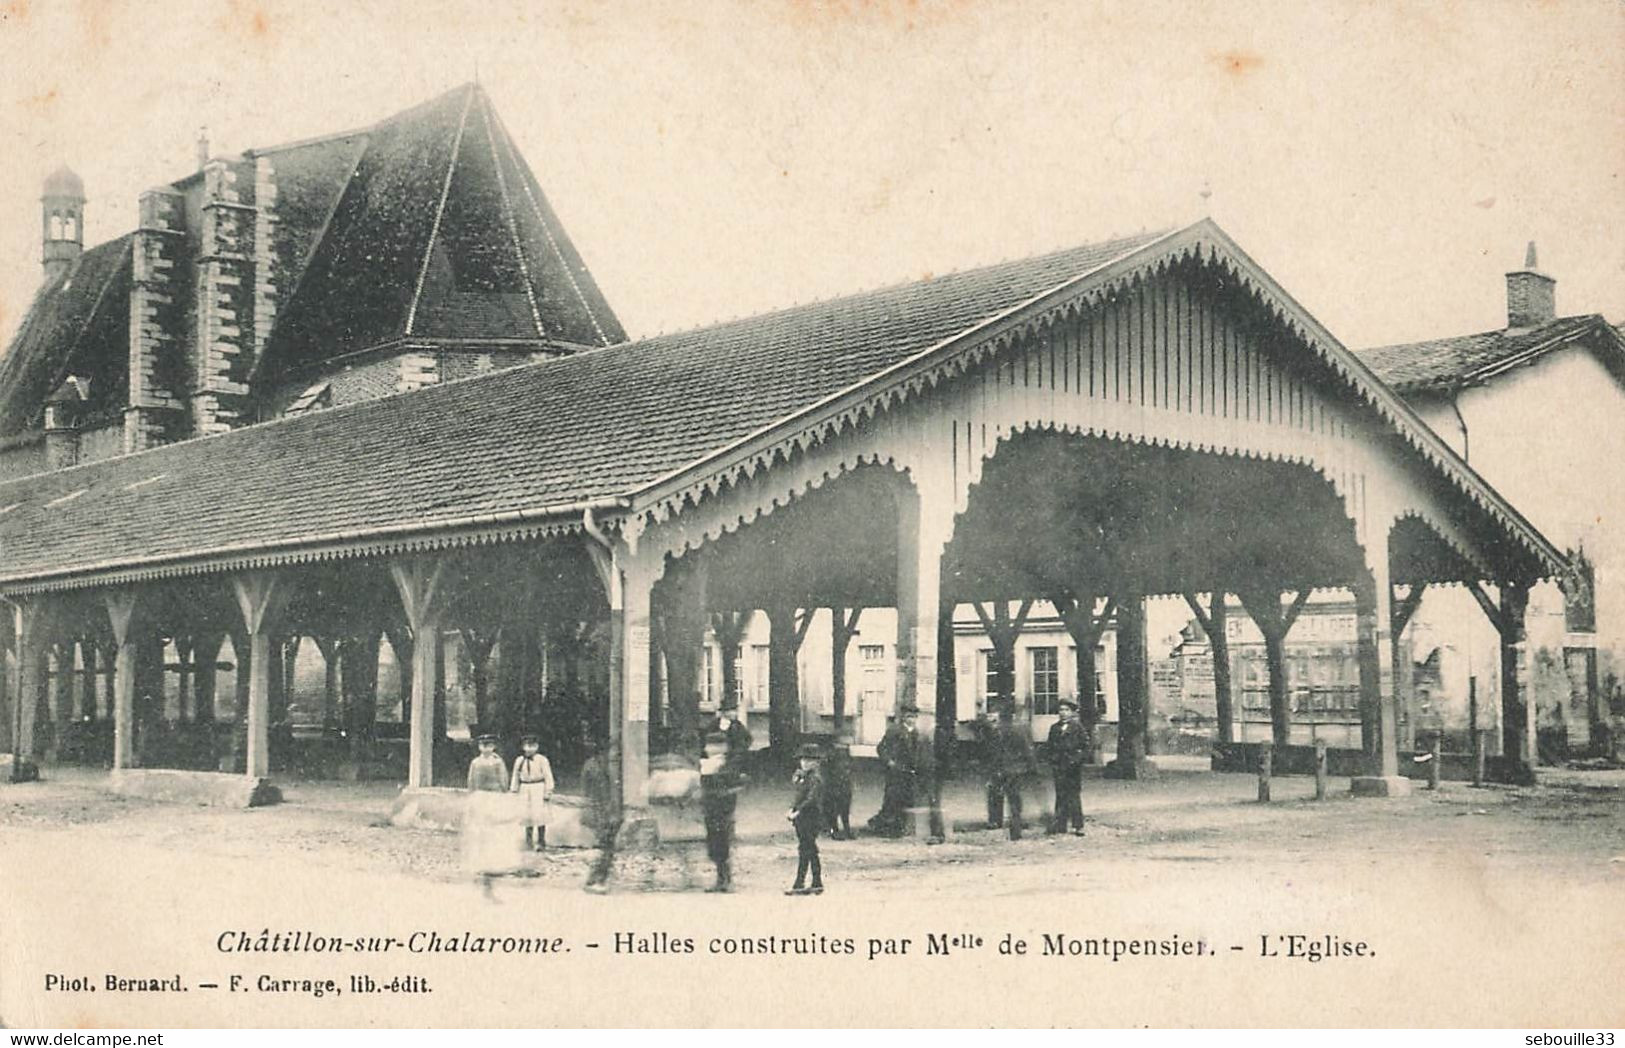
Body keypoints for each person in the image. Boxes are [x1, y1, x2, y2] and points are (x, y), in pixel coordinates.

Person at [867, 704, 944, 841]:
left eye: (914, 717)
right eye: (909, 716)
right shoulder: (894, 731)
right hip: (896, 771)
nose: (911, 720)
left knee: (906, 800)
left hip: (910, 771)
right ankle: (887, 826)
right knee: (893, 800)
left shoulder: (918, 733)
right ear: (903, 717)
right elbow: (881, 748)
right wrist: (889, 761)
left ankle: (897, 826)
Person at [462, 734, 521, 895]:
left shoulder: (498, 762)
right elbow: (471, 781)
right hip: (480, 797)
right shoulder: (475, 762)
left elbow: (503, 780)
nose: (486, 748)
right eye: (483, 745)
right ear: (479, 747)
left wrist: (503, 794)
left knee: (496, 830)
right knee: (480, 831)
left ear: (493, 746)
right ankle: (480, 863)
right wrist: (472, 796)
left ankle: (497, 863)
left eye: (489, 745)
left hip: (494, 797)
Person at [700, 730, 745, 892]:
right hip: (710, 810)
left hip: (723, 811)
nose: (711, 749)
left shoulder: (728, 765)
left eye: (716, 746)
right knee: (713, 843)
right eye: (709, 746)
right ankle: (720, 878)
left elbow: (733, 787)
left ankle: (725, 880)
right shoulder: (705, 765)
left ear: (724, 747)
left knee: (722, 843)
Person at [987, 705, 1038, 840]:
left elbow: (1027, 751)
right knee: (1005, 797)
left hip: (1008, 769)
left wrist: (1030, 768)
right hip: (1007, 769)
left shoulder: (1006, 732)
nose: (994, 722)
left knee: (1008, 798)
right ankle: (1005, 826)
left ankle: (1008, 826)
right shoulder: (999, 732)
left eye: (996, 719)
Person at [581, 735, 620, 894]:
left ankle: (596, 879)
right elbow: (587, 792)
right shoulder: (593, 765)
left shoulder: (602, 765)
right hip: (601, 810)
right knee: (604, 846)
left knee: (607, 847)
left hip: (608, 810)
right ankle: (595, 880)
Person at [786, 743, 825, 895]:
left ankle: (799, 883)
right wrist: (792, 808)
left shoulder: (815, 778)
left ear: (816, 762)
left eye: (809, 760)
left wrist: (797, 811)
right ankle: (816, 881)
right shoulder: (803, 776)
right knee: (810, 849)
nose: (805, 763)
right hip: (803, 817)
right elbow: (798, 795)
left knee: (805, 849)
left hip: (810, 817)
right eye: (803, 760)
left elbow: (811, 799)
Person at [1046, 699, 1089, 835]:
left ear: (1072, 712)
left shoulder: (1078, 727)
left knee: (1073, 795)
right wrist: (1052, 760)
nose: (1063, 713)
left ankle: (1078, 825)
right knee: (1060, 794)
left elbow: (1085, 747)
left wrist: (1076, 760)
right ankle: (1060, 824)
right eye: (1061, 710)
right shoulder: (1054, 728)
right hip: (1059, 766)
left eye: (1066, 710)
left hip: (1073, 767)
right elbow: (1050, 746)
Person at [510, 734, 555, 851]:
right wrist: (514, 790)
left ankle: (541, 841)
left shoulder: (542, 760)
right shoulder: (519, 760)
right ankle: (528, 841)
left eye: (533, 746)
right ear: (523, 747)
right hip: (525, 788)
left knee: (540, 815)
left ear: (537, 747)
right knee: (527, 815)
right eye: (527, 746)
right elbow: (515, 775)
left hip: (538, 787)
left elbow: (548, 776)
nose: (530, 749)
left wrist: (548, 791)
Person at [823, 730, 854, 839]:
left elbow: (850, 767)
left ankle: (846, 829)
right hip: (833, 784)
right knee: (834, 809)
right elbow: (826, 769)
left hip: (844, 783)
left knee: (844, 808)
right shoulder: (831, 753)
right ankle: (834, 830)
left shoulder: (846, 752)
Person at [706, 696, 753, 761]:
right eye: (731, 711)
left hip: (734, 757)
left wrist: (739, 750)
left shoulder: (737, 725)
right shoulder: (715, 724)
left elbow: (748, 739)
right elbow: (707, 737)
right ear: (724, 712)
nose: (734, 713)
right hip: (716, 755)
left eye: (735, 711)